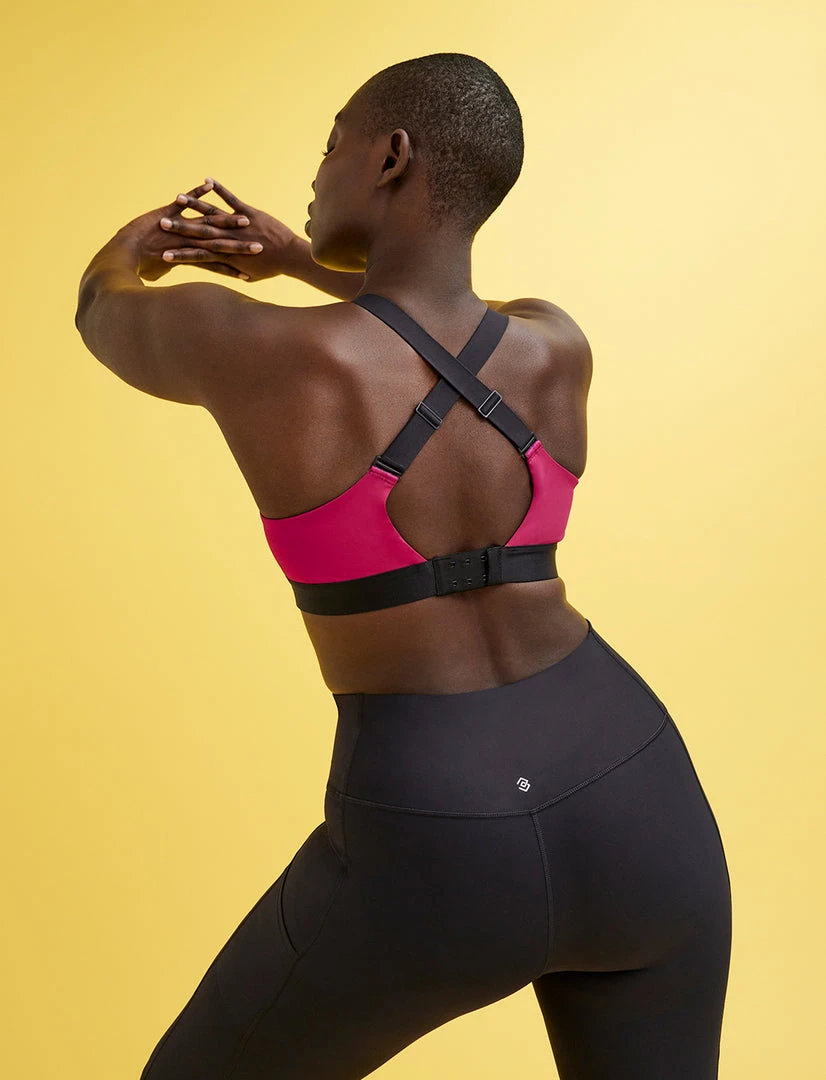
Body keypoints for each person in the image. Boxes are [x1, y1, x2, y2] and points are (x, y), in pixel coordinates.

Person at [76, 52, 731, 1080]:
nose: (316, 170)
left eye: (332, 142)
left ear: (390, 157)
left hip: (436, 825)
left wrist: (130, 249)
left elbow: (100, 309)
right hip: (637, 794)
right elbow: (439, 327)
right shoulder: (556, 345)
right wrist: (302, 259)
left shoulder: (263, 354)